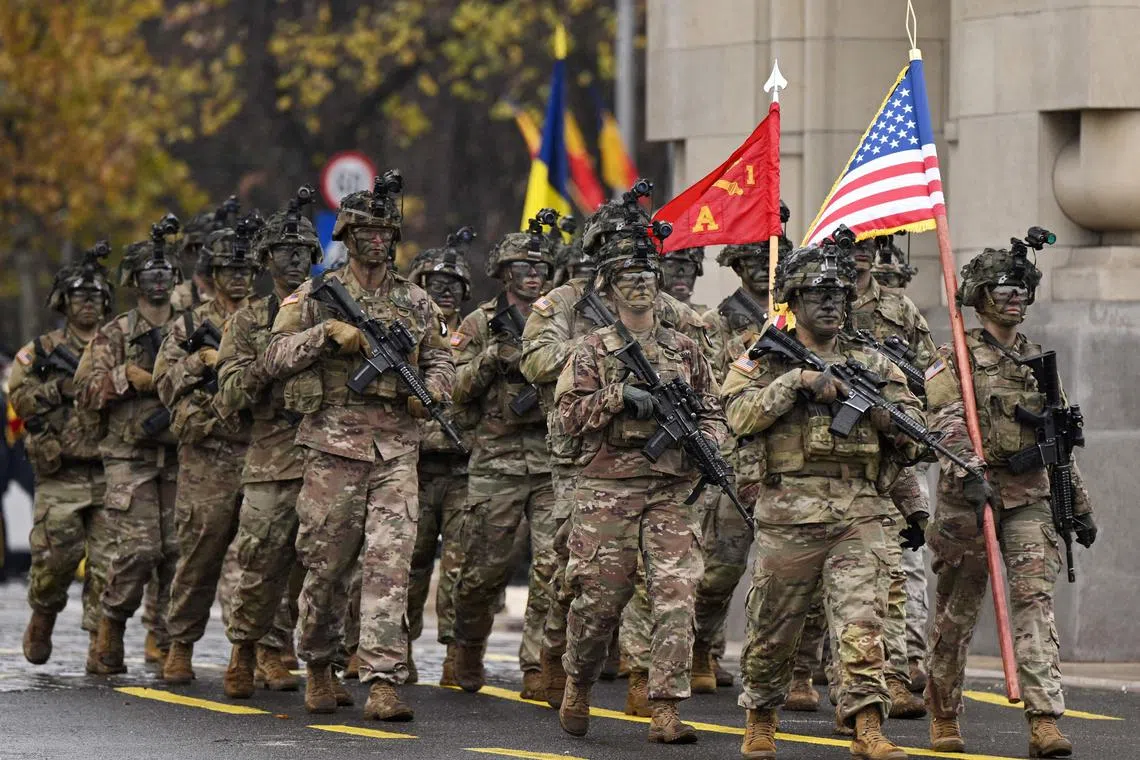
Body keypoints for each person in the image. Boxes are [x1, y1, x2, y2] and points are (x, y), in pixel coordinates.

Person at [262, 172, 455, 720]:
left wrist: (432, 392)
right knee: (326, 567)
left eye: (385, 231)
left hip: (397, 451)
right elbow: (273, 359)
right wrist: (325, 336)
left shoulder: (416, 302)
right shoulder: (315, 295)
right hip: (332, 449)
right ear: (346, 233)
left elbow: (441, 360)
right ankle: (319, 665)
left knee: (390, 565)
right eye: (366, 231)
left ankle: (382, 679)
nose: (377, 240)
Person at [722, 241, 924, 760]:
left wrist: (885, 417)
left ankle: (867, 724)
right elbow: (739, 418)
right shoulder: (765, 357)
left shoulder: (874, 363)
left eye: (838, 293)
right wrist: (797, 383)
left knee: (863, 624)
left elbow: (916, 435)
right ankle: (761, 718)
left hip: (860, 509)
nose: (832, 303)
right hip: (789, 511)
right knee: (773, 627)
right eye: (818, 293)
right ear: (793, 298)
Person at [519, 190, 708, 715]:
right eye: (617, 254)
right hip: (589, 468)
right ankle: (562, 664)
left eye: (640, 257)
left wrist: (706, 434)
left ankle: (656, 694)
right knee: (586, 584)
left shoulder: (672, 317)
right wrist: (613, 377)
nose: (637, 274)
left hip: (668, 477)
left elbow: (709, 376)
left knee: (671, 591)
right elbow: (536, 365)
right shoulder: (563, 306)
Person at [924, 238, 1094, 757]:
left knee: (1033, 605)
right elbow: (943, 418)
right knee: (958, 609)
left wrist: (1080, 505)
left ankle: (1044, 719)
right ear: (979, 297)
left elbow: (1058, 442)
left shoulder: (1037, 361)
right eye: (1003, 288)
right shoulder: (953, 352)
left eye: (1022, 288)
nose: (1015, 297)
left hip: (1029, 498)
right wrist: (968, 466)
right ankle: (943, 711)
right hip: (968, 499)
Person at [554, 232, 726, 744]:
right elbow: (567, 417)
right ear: (608, 289)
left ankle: (666, 707)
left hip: (671, 489)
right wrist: (616, 397)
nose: (641, 287)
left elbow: (715, 411)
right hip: (608, 488)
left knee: (676, 594)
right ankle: (578, 681)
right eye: (629, 279)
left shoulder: (685, 349)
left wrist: (708, 443)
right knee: (601, 599)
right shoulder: (590, 350)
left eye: (648, 278)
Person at [217, 190, 326, 699]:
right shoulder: (246, 321)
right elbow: (230, 394)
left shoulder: (337, 309)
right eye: (283, 251)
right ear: (265, 260)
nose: (294, 258)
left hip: (330, 455)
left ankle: (304, 659)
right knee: (261, 563)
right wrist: (276, 361)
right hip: (271, 458)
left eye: (303, 250)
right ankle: (245, 648)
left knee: (325, 567)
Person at [449, 224, 556, 699]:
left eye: (540, 267)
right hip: (496, 460)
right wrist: (490, 359)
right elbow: (452, 389)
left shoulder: (560, 319)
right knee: (484, 570)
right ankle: (469, 644)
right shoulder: (479, 323)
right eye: (523, 267)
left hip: (552, 461)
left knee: (556, 566)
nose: (533, 275)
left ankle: (539, 663)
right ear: (503, 272)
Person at [153, 216, 261, 684]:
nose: (237, 278)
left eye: (244, 270)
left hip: (259, 449)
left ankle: (254, 652)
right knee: (199, 554)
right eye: (228, 269)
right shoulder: (189, 325)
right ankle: (179, 644)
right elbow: (163, 383)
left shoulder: (271, 318)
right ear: (211, 273)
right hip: (206, 455)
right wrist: (200, 361)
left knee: (263, 557)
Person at [75, 218, 184, 675]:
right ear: (134, 281)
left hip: (180, 454)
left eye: (164, 272)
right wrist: (126, 378)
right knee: (139, 551)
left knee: (177, 552)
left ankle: (168, 642)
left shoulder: (190, 328)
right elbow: (83, 391)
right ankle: (112, 625)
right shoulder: (115, 334)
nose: (157, 280)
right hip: (130, 458)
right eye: (148, 273)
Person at [693, 233, 792, 694]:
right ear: (735, 265)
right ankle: (700, 648)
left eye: (771, 260)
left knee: (789, 573)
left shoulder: (795, 318)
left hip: (787, 459)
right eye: (752, 259)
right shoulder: (717, 323)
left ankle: (788, 668)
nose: (763, 268)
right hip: (734, 460)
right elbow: (708, 388)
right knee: (721, 568)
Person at [9, 245, 114, 670]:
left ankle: (100, 642)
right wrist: (58, 389)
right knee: (55, 560)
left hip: (111, 467)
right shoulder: (41, 350)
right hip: (61, 471)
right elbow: (16, 398)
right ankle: (43, 615)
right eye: (78, 296)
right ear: (64, 302)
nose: (87, 304)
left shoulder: (118, 344)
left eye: (94, 296)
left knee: (109, 566)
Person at [404, 229, 475, 685]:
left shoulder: (481, 331)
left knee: (463, 567)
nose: (444, 292)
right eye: (434, 283)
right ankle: (395, 650)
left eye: (453, 285)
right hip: (411, 464)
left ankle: (456, 654)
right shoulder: (406, 329)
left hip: (465, 466)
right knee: (407, 564)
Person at [660, 246, 707, 312]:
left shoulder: (708, 318)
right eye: (671, 266)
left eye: (688, 266)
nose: (681, 274)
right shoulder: (648, 317)